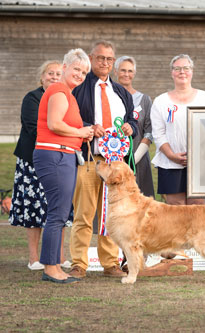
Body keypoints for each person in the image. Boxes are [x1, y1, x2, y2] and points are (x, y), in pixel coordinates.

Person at [69, 40, 138, 279]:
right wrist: (89, 127)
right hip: (89, 159)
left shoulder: (120, 92)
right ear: (91, 58)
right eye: (100, 58)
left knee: (112, 214)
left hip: (116, 164)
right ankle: (78, 263)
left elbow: (132, 120)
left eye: (109, 59)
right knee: (84, 213)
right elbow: (71, 120)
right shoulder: (79, 89)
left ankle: (110, 264)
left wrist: (131, 127)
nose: (105, 63)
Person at [33, 48, 94, 283]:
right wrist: (80, 131)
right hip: (55, 156)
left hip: (63, 155)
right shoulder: (58, 90)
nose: (80, 74)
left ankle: (55, 265)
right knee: (57, 213)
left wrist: (82, 134)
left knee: (59, 213)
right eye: (77, 69)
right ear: (65, 67)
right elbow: (55, 124)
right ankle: (51, 268)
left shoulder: (68, 94)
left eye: (84, 71)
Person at [9, 60, 75, 270]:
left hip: (59, 159)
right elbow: (35, 127)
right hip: (33, 161)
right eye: (50, 73)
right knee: (34, 210)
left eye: (58, 73)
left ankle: (60, 256)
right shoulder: (32, 98)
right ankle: (33, 258)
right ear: (42, 76)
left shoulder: (65, 96)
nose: (54, 77)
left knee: (60, 208)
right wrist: (61, 137)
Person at [151, 54, 205, 205]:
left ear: (192, 71)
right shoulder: (161, 101)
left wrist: (199, 155)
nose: (182, 72)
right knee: (176, 208)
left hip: (200, 162)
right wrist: (172, 155)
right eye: (177, 68)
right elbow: (158, 134)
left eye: (186, 68)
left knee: (197, 208)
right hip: (170, 163)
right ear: (171, 72)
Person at [114, 56, 154, 197]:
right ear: (115, 72)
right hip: (112, 158)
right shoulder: (107, 97)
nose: (126, 74)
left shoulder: (144, 100)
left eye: (130, 71)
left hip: (138, 160)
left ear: (134, 73)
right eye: (123, 70)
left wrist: (133, 159)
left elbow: (149, 132)